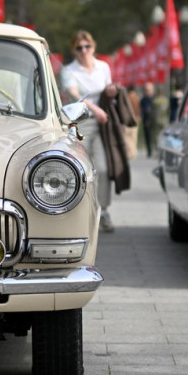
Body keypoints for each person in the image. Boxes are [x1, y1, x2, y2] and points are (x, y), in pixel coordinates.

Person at [59, 30, 124, 232]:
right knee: (79, 168)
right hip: (80, 122)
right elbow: (74, 94)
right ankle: (78, 212)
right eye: (79, 48)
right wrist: (95, 110)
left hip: (103, 124)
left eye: (87, 46)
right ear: (74, 50)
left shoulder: (102, 67)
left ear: (93, 47)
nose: (84, 51)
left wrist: (112, 91)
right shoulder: (69, 70)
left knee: (103, 168)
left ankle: (103, 210)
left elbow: (107, 91)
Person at [140, 82, 158, 157]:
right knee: (147, 136)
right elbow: (142, 110)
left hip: (155, 120)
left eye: (149, 90)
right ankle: (149, 151)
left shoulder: (155, 98)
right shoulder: (143, 100)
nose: (147, 91)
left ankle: (157, 151)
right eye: (146, 90)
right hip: (146, 120)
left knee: (156, 136)